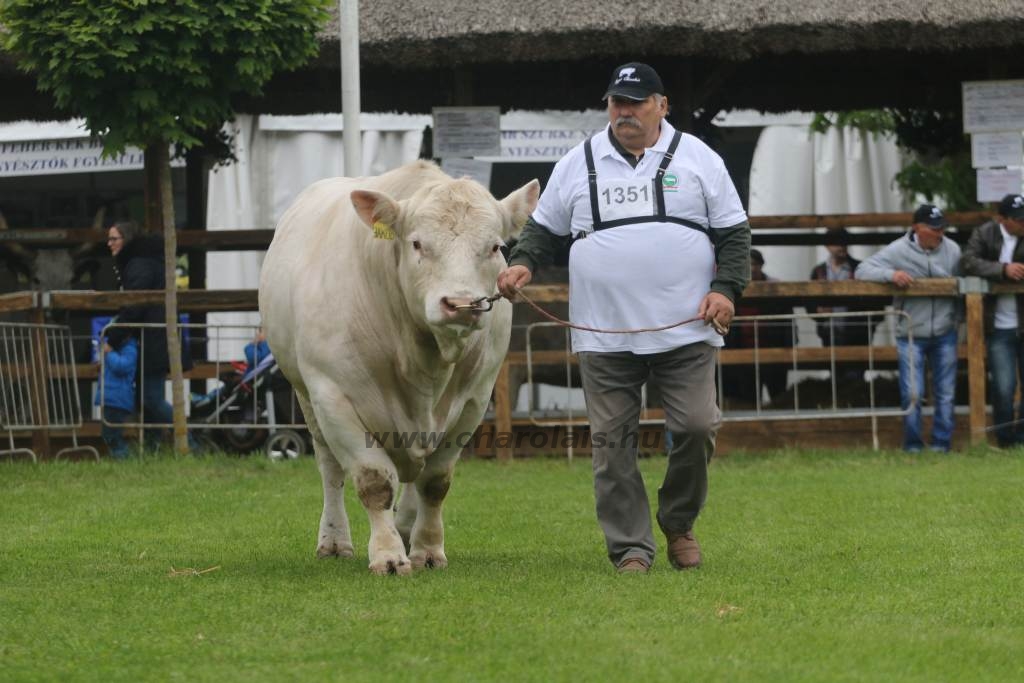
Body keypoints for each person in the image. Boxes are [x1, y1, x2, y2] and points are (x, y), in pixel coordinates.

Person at [497, 62, 751, 574]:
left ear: (663, 105)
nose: (624, 111)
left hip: (686, 328)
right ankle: (630, 547)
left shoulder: (699, 158)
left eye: (635, 102)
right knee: (613, 447)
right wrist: (522, 261)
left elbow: (734, 235)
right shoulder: (578, 161)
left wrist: (725, 290)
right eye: (617, 102)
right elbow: (544, 230)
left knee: (697, 426)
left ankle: (678, 522)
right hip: (603, 330)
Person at [854, 204, 961, 453]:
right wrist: (891, 275)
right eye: (933, 229)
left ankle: (941, 445)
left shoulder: (953, 250)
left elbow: (963, 283)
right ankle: (913, 445)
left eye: (942, 228)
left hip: (946, 331)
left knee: (946, 393)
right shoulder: (897, 250)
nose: (939, 233)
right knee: (913, 393)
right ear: (916, 228)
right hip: (911, 333)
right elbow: (862, 270)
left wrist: (958, 319)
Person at [103, 220, 195, 451]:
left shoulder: (139, 264)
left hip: (155, 338)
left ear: (127, 239)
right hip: (157, 336)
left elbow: (135, 305)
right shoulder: (143, 261)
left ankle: (191, 443)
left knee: (151, 398)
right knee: (148, 397)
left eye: (114, 239)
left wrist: (113, 337)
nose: (109, 243)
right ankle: (155, 447)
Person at [959, 193, 1024, 448]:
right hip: (998, 326)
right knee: (1004, 387)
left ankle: (1021, 436)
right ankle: (1005, 438)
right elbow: (968, 261)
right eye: (1018, 219)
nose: (1023, 223)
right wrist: (1002, 270)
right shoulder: (984, 234)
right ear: (1002, 219)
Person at [723, 249, 794, 406]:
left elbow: (788, 320)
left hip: (774, 352)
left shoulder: (776, 287)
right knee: (748, 398)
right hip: (743, 354)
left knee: (779, 396)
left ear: (761, 265)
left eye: (754, 264)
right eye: (747, 264)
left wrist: (789, 346)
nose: (751, 268)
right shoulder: (734, 289)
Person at [94, 329, 138, 460]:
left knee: (112, 434)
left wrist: (110, 353)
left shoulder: (130, 348)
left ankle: (124, 458)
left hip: (117, 398)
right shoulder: (121, 348)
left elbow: (122, 366)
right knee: (109, 434)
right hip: (111, 397)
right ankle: (119, 457)